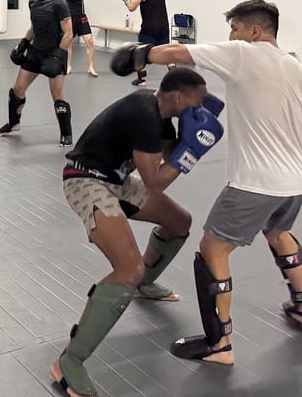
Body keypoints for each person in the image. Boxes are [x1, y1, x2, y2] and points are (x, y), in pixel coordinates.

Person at [110, 0, 302, 366]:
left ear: (254, 31)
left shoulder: (243, 53)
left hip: (254, 183)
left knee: (212, 250)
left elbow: (178, 52)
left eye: (235, 28)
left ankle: (219, 343)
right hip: (294, 183)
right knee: (279, 234)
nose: (231, 36)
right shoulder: (301, 70)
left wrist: (139, 55)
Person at [50, 69, 224, 397]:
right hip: (84, 180)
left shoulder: (163, 116)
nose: (200, 108)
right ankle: (69, 361)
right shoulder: (143, 114)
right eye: (197, 101)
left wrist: (185, 142)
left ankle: (144, 285)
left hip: (114, 179)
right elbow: (156, 181)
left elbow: (165, 161)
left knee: (180, 222)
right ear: (178, 97)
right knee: (128, 269)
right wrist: (191, 151)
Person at [0, 0, 75, 147]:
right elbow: (34, 27)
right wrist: (23, 44)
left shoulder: (58, 3)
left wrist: (57, 56)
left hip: (54, 52)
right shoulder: (33, 2)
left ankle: (66, 133)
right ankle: (14, 123)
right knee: (17, 89)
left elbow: (69, 33)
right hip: (36, 51)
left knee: (57, 96)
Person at [119, 0, 169, 87]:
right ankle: (176, 78)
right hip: (164, 26)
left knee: (139, 53)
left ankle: (142, 80)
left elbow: (131, 7)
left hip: (149, 28)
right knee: (167, 53)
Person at [61, 0, 99, 77]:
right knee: (69, 43)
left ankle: (91, 67)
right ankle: (68, 66)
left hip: (81, 15)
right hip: (69, 16)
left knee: (90, 41)